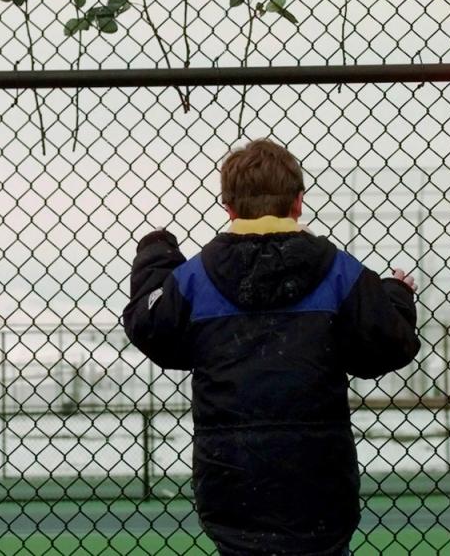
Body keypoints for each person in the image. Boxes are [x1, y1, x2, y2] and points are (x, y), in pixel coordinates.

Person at [121, 139, 420, 556]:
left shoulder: (196, 279)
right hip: (319, 483)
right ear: (298, 202)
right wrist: (396, 296)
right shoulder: (339, 272)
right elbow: (389, 346)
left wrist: (156, 253)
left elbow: (150, 326)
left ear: (228, 207)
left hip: (231, 480)